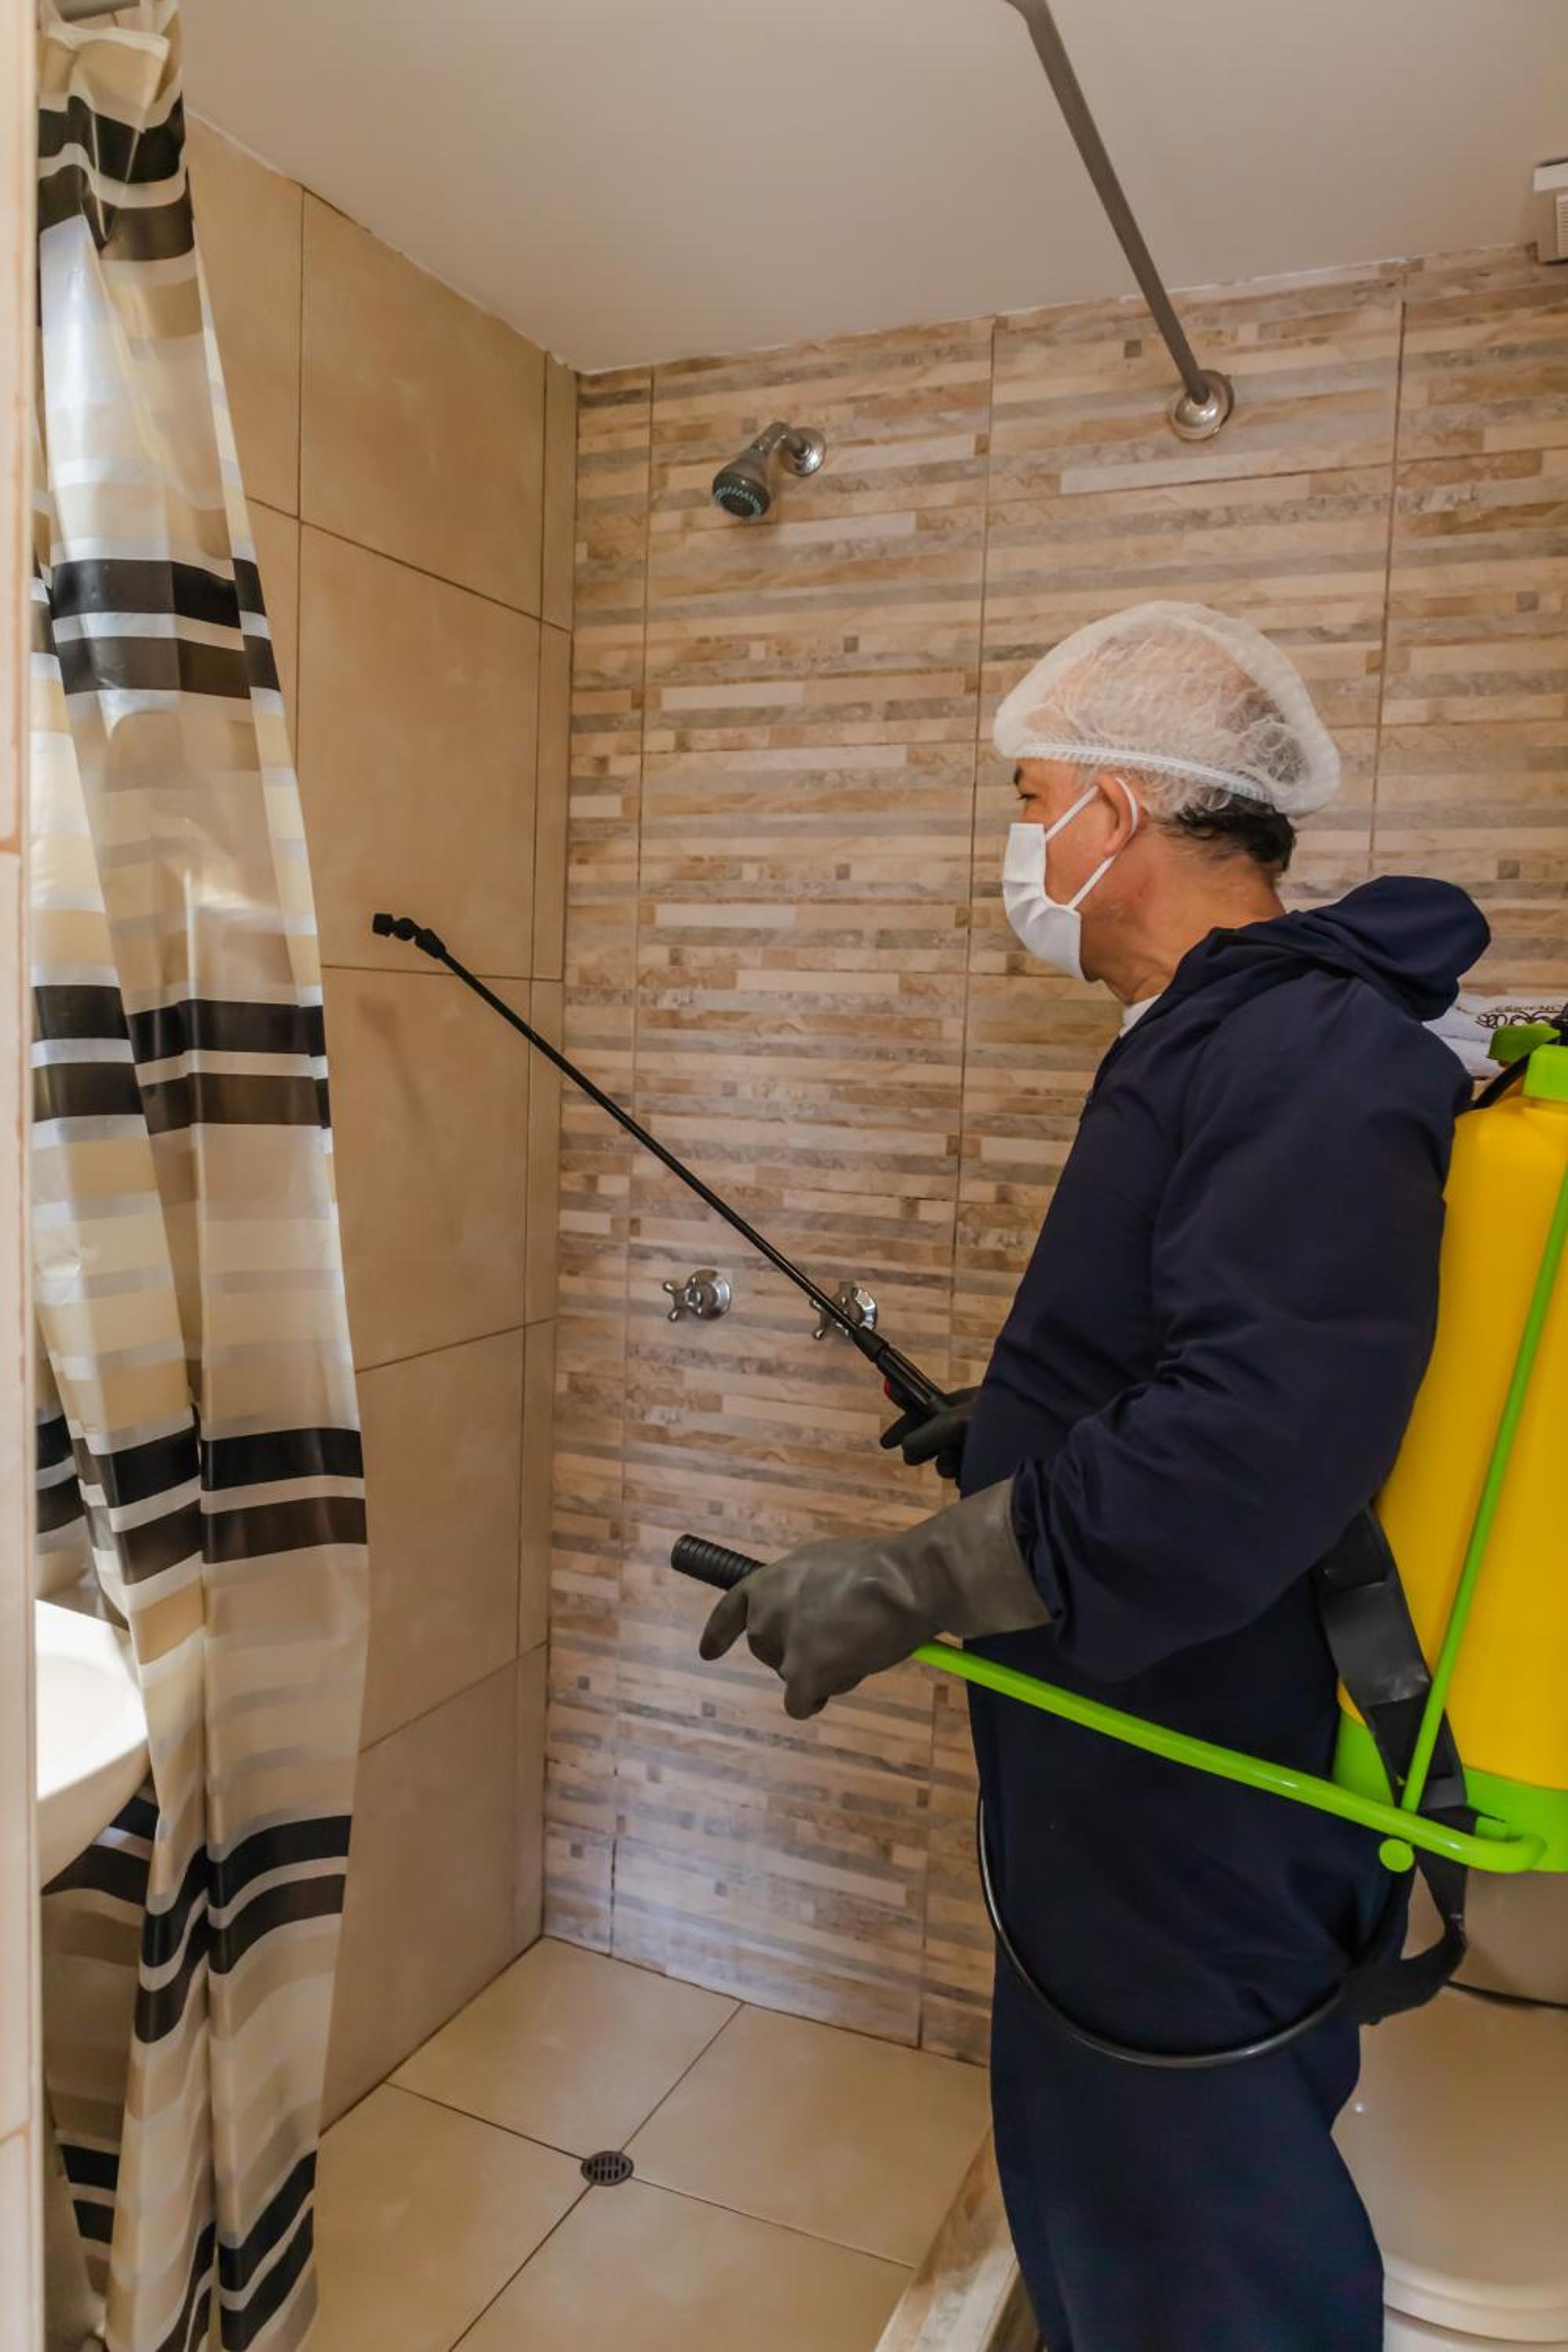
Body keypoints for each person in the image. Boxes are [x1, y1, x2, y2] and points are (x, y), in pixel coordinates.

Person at [698, 601, 1489, 2352]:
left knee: (1195, 2241)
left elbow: (1248, 1442)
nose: (1019, 840)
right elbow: (1207, 1339)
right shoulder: (1212, 1032)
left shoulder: (1305, 1050)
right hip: (1132, 1759)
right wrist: (1018, 1423)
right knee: (1111, 2183)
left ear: (1118, 810)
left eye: (1032, 795)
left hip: (1201, 1789)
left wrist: (908, 1581)